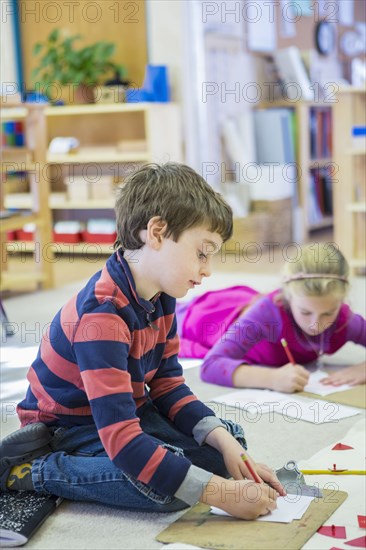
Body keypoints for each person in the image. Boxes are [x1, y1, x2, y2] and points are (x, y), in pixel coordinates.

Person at [0, 163, 284, 521]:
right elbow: (121, 439)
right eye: (202, 251)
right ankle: (37, 469)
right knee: (165, 489)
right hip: (70, 427)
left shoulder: (163, 294)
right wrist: (218, 494)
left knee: (228, 445)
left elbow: (167, 385)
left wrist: (226, 446)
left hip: (128, 408)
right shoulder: (101, 315)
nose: (208, 268)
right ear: (157, 232)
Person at [177, 244, 366, 393]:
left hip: (251, 312)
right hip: (207, 317)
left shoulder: (345, 320)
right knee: (163, 317)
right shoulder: (267, 313)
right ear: (288, 297)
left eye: (328, 313)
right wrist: (272, 379)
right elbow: (211, 366)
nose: (316, 323)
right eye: (305, 312)